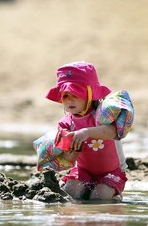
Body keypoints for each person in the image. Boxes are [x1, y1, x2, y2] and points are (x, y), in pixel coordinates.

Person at [45, 61, 133, 201]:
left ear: (90, 94)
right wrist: (72, 152)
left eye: (75, 94)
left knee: (99, 196)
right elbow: (69, 160)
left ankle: (113, 195)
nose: (70, 100)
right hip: (83, 170)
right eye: (65, 96)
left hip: (112, 171)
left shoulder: (103, 115)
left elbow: (111, 132)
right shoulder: (65, 124)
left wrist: (86, 132)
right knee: (70, 193)